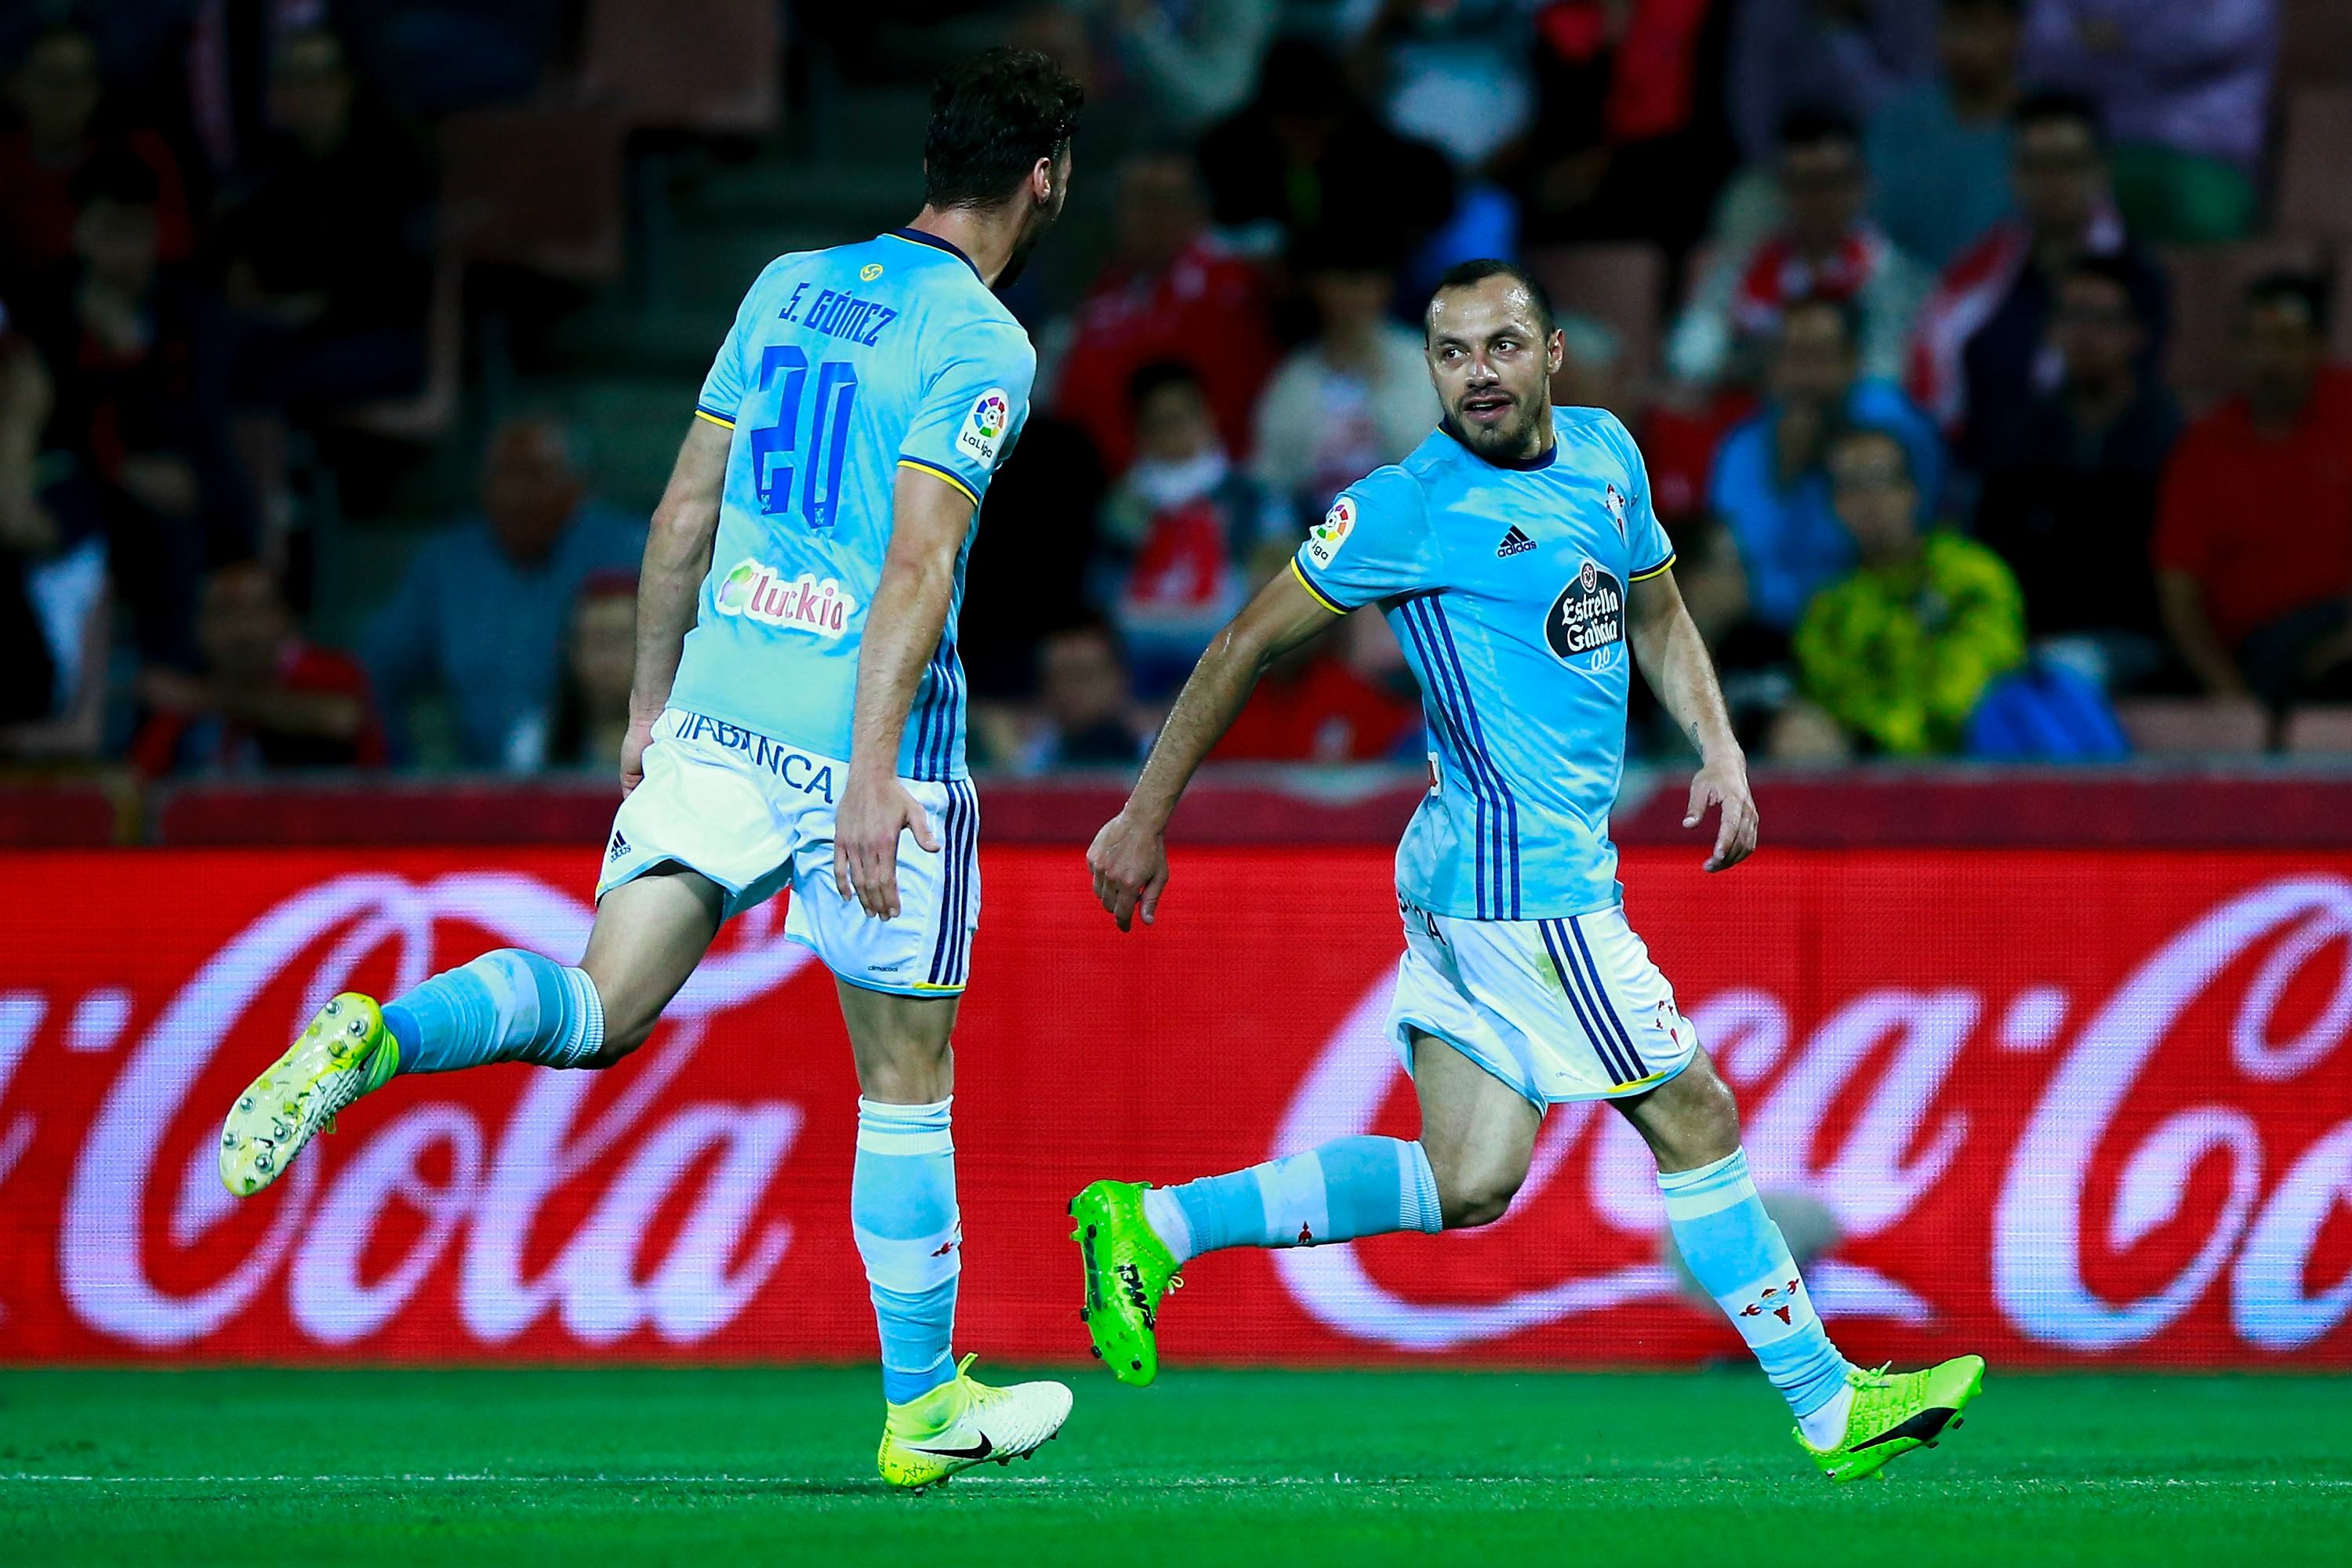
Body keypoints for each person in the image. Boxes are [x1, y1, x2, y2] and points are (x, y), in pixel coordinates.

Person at [215, 49, 1085, 1488]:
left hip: (721, 705)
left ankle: (374, 1036)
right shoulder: (983, 341)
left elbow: (685, 508)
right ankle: (923, 1406)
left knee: (599, 1007)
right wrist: (873, 773)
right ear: (1044, 175)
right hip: (862, 742)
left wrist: (647, 706)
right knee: (905, 1072)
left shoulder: (785, 283)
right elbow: (923, 559)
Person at [1072, 260, 1985, 1482]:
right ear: (1432, 370)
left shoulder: (1608, 455)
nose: (1477, 374)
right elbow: (1244, 642)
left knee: (1471, 1179)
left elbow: (1655, 612)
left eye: (1500, 346)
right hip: (1526, 886)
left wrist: (1720, 749)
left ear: (1552, 352)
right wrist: (1144, 815)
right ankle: (1832, 1408)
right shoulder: (1406, 506)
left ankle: (1157, 1224)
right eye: (1451, 354)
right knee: (1696, 1115)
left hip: (1479, 877)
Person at [362, 418, 644, 769]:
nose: (515, 495)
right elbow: (376, 672)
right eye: (503, 475)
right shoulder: (446, 562)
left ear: (577, 486)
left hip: (598, 775)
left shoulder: (630, 551)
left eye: (534, 476)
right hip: (480, 783)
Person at [1907, 89, 2167, 462]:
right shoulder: (1984, 270)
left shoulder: (2135, 277)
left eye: (2067, 164)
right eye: (2036, 165)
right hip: (1976, 473)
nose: (2051, 181)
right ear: (2015, 174)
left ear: (2099, 170)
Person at [1973, 255, 2178, 677]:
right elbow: (1995, 552)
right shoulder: (2018, 436)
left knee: (2066, 671)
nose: (2085, 334)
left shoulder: (2168, 437)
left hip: (2134, 641)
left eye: (2103, 319)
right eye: (2072, 316)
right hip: (2027, 638)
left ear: (2137, 333)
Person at [2154, 273, 2352, 708]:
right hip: (2262, 649)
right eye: (2254, 340)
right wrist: (2225, 688)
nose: (2269, 359)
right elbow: (2179, 590)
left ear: (2318, 346)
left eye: (2286, 341)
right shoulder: (2202, 450)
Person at [1707, 295, 1944, 633]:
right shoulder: (1743, 448)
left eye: (1820, 357)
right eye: (1792, 357)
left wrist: (1760, 595)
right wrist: (1784, 477)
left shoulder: (1895, 431)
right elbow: (1735, 564)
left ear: (1853, 362)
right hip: (1764, 634)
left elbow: (1899, 550)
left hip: (1883, 623)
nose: (1805, 377)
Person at [1789, 426, 2024, 756]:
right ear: (1836, 506)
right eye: (1852, 486)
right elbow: (1837, 696)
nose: (1869, 499)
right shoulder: (1830, 609)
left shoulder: (1973, 574)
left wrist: (1901, 739)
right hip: (1876, 769)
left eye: (1880, 479)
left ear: (1912, 491)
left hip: (1977, 757)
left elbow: (1980, 673)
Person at [1050, 148, 1279, 474]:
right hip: (1109, 485)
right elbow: (1076, 399)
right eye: (1135, 201)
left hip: (1209, 482)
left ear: (1197, 209)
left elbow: (1236, 406)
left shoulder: (1231, 288)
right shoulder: (1107, 291)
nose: (1148, 215)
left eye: (1164, 200)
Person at [1668, 107, 1929, 387]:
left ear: (1860, 185)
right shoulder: (1740, 270)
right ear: (1782, 189)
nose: (1817, 200)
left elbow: (1886, 373)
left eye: (1831, 183)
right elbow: (1689, 361)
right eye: (1803, 184)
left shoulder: (1895, 277)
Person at [1095, 361, 1280, 697]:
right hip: (1135, 673)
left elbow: (1277, 584)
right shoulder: (1119, 509)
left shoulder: (1254, 500)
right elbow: (1101, 597)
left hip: (1229, 661)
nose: (1175, 433)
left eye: (1184, 418)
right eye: (1160, 423)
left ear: (1207, 417)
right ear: (1140, 432)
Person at [2020, 0, 2273, 244]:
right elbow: (2041, 44)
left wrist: (2121, 37)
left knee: (2192, 209)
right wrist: (2137, 39)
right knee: (2030, 198)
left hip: (2203, 158)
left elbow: (2210, 37)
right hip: (2099, 147)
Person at [1250, 230, 1440, 528]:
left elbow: (1432, 464)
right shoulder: (1292, 379)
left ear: (1385, 287)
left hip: (1412, 528)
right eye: (1340, 283)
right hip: (1317, 537)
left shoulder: (1421, 363)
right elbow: (1271, 481)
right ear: (1317, 289)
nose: (1352, 298)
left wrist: (1377, 384)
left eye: (1364, 283)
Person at [130, 560, 385, 775]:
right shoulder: (186, 694)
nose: (242, 632)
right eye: (224, 614)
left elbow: (341, 719)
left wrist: (207, 698)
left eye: (257, 611)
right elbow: (141, 776)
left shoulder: (330, 670)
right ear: (199, 628)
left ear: (286, 618)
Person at [0, 23, 193, 292]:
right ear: (16, 84)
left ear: (97, 89)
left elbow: (176, 242)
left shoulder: (139, 151)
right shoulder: (5, 165)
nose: (66, 94)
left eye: (78, 80)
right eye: (52, 78)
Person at [1864, 0, 2022, 270]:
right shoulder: (1898, 124)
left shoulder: (2039, 128)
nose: (1968, 43)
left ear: (2015, 32)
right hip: (1908, 294)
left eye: (1982, 28)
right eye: (1956, 27)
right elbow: (1874, 227)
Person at [528, 572, 639, 773]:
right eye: (595, 642)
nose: (606, 659)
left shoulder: (680, 743)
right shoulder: (533, 743)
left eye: (620, 640)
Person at [1024, 619, 1150, 768]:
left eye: (1084, 675)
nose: (1071, 690)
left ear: (1120, 679)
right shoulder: (1028, 769)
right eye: (1060, 677)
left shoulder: (1159, 758)